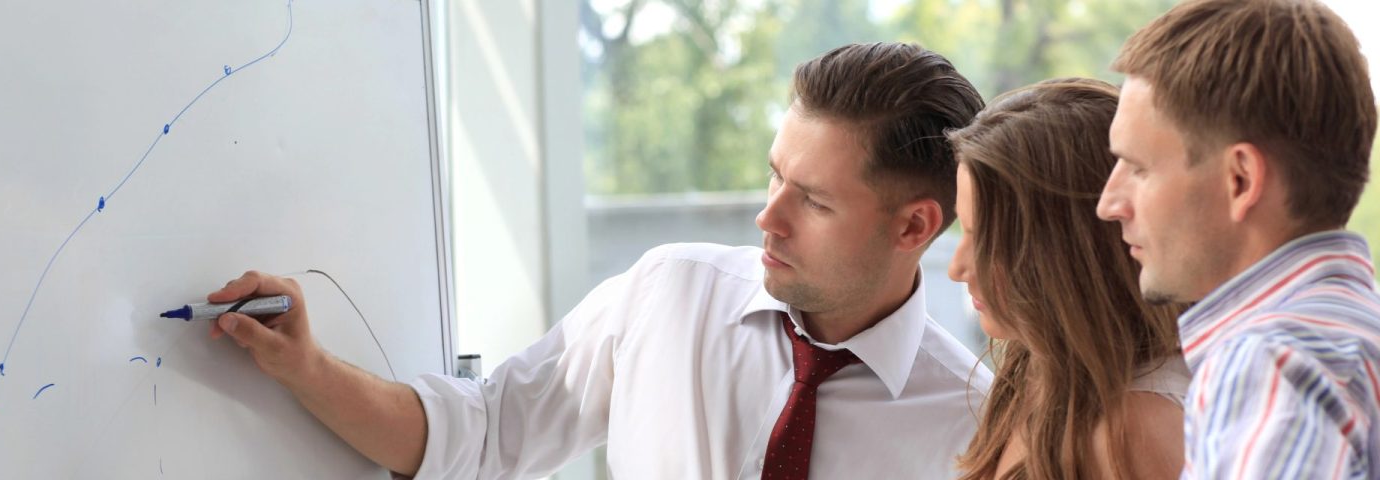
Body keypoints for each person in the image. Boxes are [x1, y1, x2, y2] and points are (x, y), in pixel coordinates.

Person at [205, 42, 992, 479]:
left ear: (914, 227)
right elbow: (476, 437)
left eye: (813, 202)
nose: (768, 216)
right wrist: (306, 367)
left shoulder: (977, 425)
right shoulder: (669, 295)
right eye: (774, 174)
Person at [1096, 0, 1380, 476]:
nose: (1109, 203)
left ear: (1240, 180)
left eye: (1140, 168)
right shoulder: (1348, 336)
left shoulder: (1271, 364)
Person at [946, 78, 1189, 480]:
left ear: (1066, 255)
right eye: (965, 232)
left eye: (986, 241)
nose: (957, 268)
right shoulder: (1034, 366)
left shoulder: (1135, 431)